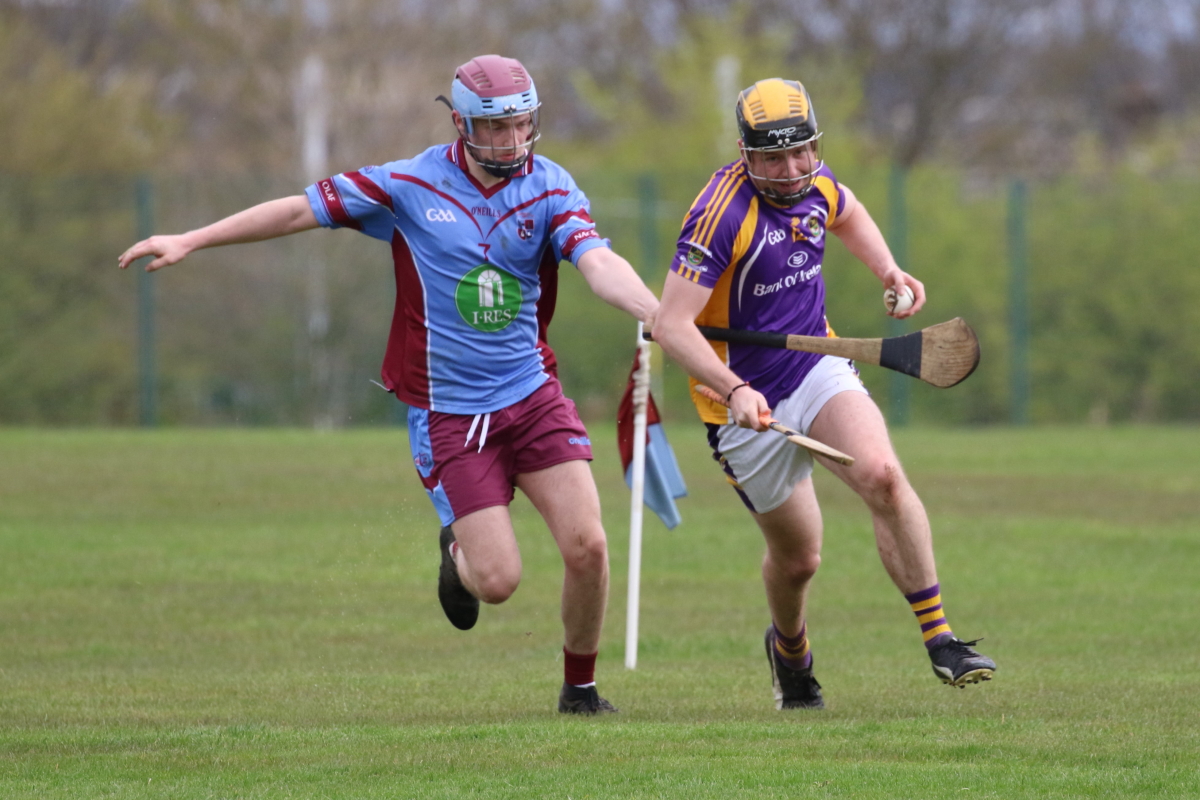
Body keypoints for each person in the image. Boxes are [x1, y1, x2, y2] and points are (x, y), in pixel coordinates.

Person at [118, 54, 659, 715]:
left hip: (531, 394)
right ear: (461, 124)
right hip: (450, 415)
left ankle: (580, 690)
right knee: (497, 583)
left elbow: (597, 262)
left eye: (522, 126)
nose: (513, 142)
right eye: (496, 129)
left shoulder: (549, 187)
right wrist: (193, 239)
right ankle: (457, 547)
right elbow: (297, 212)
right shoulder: (407, 184)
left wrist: (652, 312)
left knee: (589, 544)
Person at [651, 77, 995, 710]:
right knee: (800, 560)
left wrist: (887, 269)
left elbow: (848, 210)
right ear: (745, 152)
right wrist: (733, 389)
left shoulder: (814, 181)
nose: (791, 170)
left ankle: (942, 639)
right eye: (774, 158)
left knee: (884, 476)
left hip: (817, 366)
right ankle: (790, 654)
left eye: (802, 152)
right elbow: (672, 326)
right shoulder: (720, 214)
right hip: (740, 407)